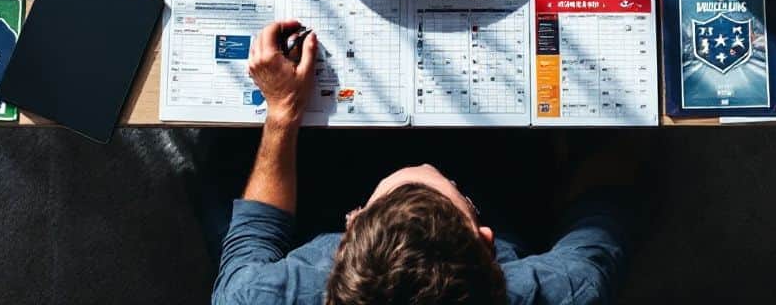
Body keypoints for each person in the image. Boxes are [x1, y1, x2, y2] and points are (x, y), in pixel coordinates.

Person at [210, 20, 630, 305]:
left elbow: (254, 232)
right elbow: (602, 201)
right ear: (486, 243)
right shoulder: (567, 289)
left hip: (326, 177)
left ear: (347, 234)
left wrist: (282, 112)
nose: (421, 166)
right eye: (452, 198)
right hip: (504, 180)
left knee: (217, 165)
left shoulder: (257, 294)